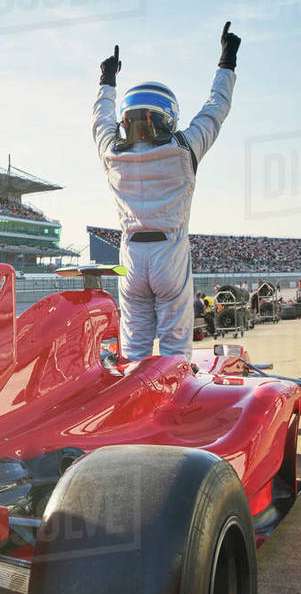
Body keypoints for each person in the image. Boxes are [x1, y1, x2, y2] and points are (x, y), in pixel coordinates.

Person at [93, 22, 240, 361]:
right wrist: (227, 60)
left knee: (133, 351)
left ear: (126, 119)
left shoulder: (111, 153)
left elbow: (100, 119)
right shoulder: (184, 149)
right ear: (168, 117)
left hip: (129, 257)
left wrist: (107, 80)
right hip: (169, 255)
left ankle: (133, 410)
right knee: (175, 352)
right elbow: (217, 107)